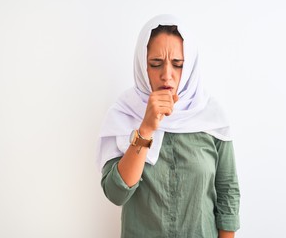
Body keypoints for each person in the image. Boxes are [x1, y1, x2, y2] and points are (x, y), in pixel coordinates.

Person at [97, 14, 240, 238]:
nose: (167, 76)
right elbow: (116, 194)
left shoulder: (211, 116)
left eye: (178, 64)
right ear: (143, 66)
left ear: (190, 65)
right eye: (156, 64)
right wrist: (145, 129)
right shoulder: (124, 115)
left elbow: (228, 192)